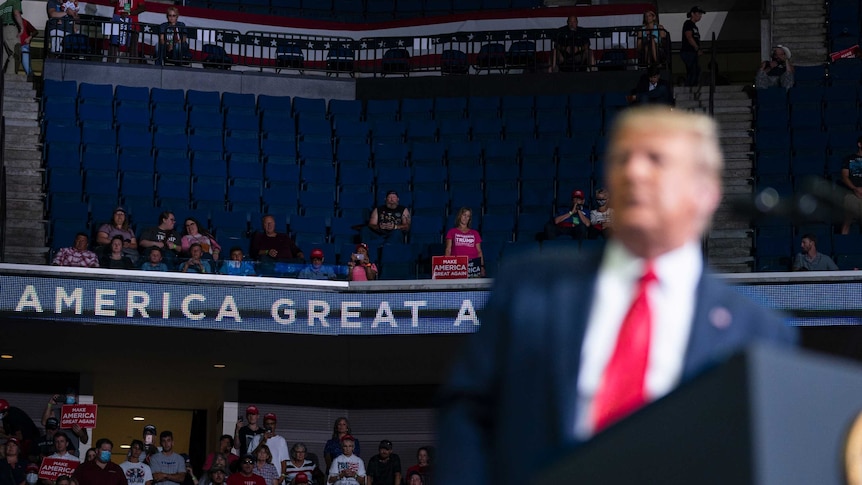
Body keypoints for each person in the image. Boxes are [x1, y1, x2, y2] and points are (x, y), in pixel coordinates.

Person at [436, 106, 797, 484]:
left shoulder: (759, 333)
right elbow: (468, 417)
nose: (634, 172)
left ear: (705, 192)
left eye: (656, 160)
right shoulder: (528, 287)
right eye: (622, 158)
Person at [444, 207, 485, 278]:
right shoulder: (452, 232)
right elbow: (448, 249)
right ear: (460, 216)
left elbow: (479, 251)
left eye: (468, 216)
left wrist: (481, 266)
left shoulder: (475, 233)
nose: (465, 218)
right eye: (464, 215)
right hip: (457, 266)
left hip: (473, 266)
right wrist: (447, 267)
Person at [841, 135, 862, 235]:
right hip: (852, 194)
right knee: (847, 221)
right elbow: (845, 176)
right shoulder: (849, 159)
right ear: (860, 144)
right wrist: (855, 189)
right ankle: (842, 246)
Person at [680, 6, 705, 87]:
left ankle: (691, 87)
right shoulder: (688, 23)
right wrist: (697, 48)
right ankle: (688, 88)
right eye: (699, 13)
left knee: (695, 70)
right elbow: (689, 36)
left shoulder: (694, 26)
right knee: (694, 71)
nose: (700, 16)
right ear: (692, 14)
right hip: (688, 51)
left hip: (692, 52)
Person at [0, 0, 23, 75]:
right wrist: (22, 27)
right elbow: (16, 13)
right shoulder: (16, 1)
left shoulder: (2, 6)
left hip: (2, 30)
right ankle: (10, 77)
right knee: (15, 53)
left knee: (4, 55)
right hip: (11, 29)